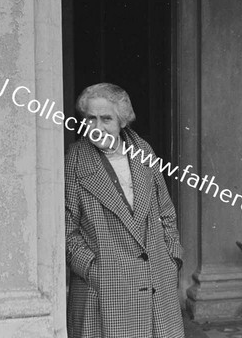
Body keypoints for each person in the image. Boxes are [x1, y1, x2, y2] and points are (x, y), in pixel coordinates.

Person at [65, 82, 185, 337]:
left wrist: (172, 257)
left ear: (122, 121)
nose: (97, 128)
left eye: (106, 118)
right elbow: (66, 228)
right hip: (104, 289)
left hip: (155, 281)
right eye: (90, 119)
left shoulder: (144, 152)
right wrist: (92, 268)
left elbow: (166, 212)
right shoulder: (74, 159)